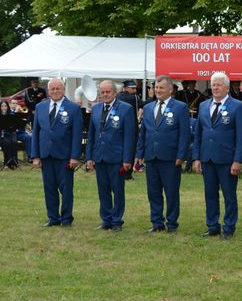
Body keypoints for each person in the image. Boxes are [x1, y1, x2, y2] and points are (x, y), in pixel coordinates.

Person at [193, 72, 242, 240]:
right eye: (213, 84)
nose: (215, 88)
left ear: (227, 87)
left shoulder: (238, 106)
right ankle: (212, 226)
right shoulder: (204, 106)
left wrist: (238, 160)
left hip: (227, 159)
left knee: (229, 195)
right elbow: (198, 134)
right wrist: (196, 157)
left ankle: (229, 227)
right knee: (210, 194)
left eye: (218, 84)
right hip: (207, 158)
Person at [135, 75, 191, 233]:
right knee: (153, 192)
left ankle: (172, 224)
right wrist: (139, 153)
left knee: (171, 192)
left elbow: (184, 134)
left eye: (161, 88)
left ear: (170, 90)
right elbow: (143, 133)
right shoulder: (148, 108)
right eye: (156, 88)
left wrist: (181, 156)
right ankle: (157, 223)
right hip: (151, 156)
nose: (158, 91)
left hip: (171, 158)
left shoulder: (180, 107)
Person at [31, 78, 83, 227]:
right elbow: (36, 132)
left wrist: (74, 156)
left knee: (66, 189)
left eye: (58, 88)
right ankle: (53, 218)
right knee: (49, 188)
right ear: (48, 91)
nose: (55, 91)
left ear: (64, 89)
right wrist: (36, 155)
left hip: (65, 156)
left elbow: (77, 135)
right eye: (52, 89)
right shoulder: (40, 107)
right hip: (46, 155)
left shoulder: (73, 108)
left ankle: (66, 218)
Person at [86, 81, 135, 232]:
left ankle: (117, 220)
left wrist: (127, 159)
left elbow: (129, 136)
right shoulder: (96, 109)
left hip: (117, 157)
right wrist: (89, 157)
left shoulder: (126, 109)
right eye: (102, 92)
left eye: (108, 92)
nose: (105, 94)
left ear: (115, 93)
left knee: (117, 190)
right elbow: (91, 135)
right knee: (103, 190)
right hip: (99, 156)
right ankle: (106, 219)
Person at [0, 100, 18, 169]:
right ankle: (6, 162)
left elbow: (14, 127)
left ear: (8, 107)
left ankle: (13, 162)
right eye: (2, 106)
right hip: (1, 135)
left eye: (5, 106)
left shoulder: (11, 115)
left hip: (9, 134)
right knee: (7, 142)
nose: (4, 108)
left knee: (13, 142)